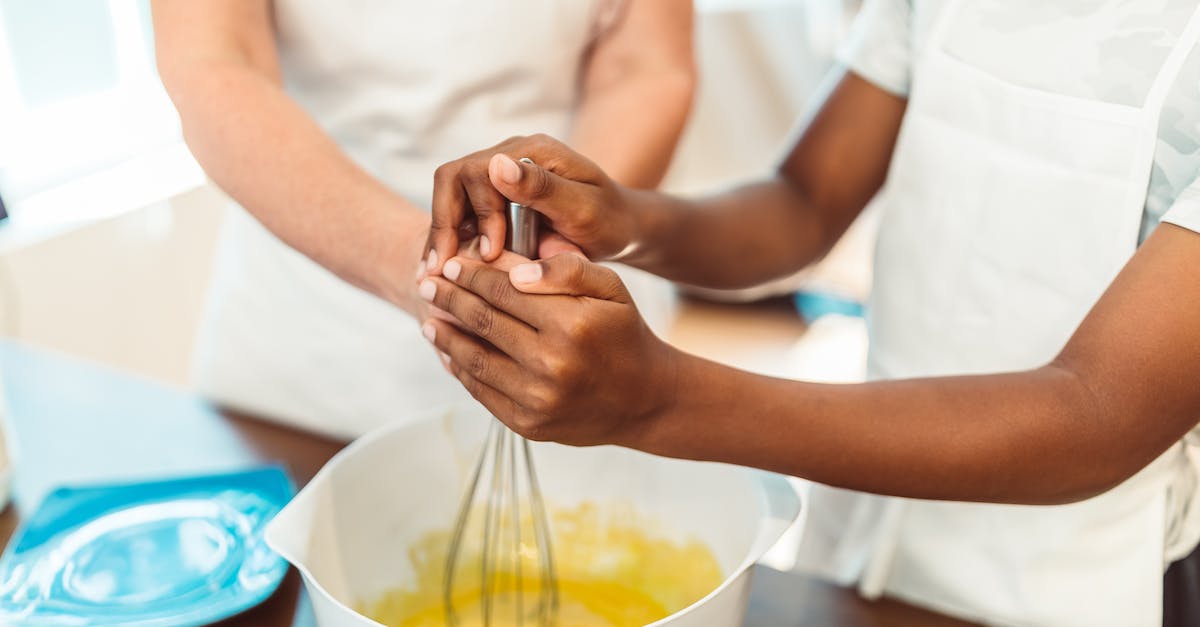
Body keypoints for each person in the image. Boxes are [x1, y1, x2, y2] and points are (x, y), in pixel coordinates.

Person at [418, 1, 1200, 625]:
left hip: (1097, 576)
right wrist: (622, 219)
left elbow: (1095, 412)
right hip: (870, 522)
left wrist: (658, 396)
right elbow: (804, 202)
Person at [149, 0, 693, 439]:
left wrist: (561, 229)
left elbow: (645, 67)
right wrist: (425, 264)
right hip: (311, 346)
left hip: (564, 312)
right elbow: (215, 64)